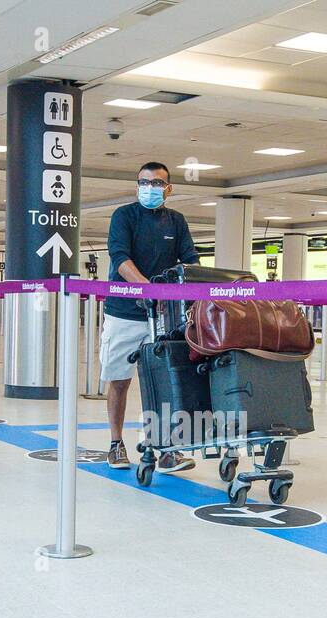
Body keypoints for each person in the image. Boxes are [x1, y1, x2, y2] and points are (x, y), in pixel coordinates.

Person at [100, 161, 199, 471]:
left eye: (157, 183)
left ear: (168, 189)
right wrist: (149, 290)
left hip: (164, 317)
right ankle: (116, 443)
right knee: (119, 380)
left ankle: (166, 446)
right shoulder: (124, 216)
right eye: (144, 182)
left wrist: (195, 291)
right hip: (125, 312)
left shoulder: (177, 221)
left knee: (164, 380)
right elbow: (120, 259)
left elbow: (191, 260)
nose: (149, 188)